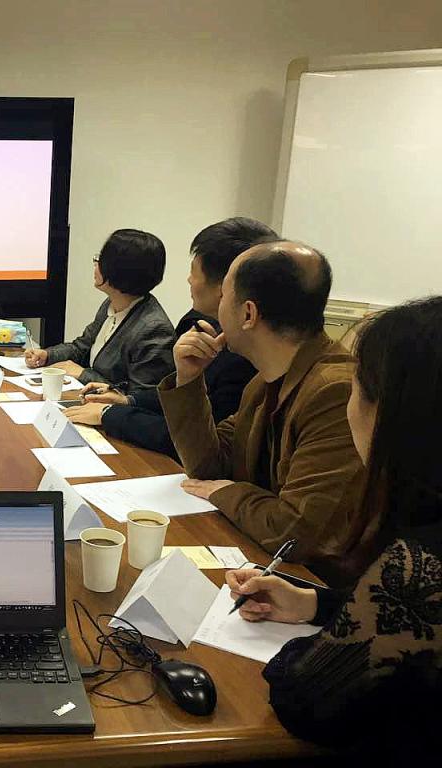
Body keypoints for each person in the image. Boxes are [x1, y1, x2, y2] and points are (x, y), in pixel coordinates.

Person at [224, 296, 442, 754]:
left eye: (358, 383)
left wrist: (313, 644)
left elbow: (307, 699)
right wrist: (314, 604)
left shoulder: (422, 562)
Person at [157, 241, 364, 574]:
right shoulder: (265, 381)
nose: (217, 306)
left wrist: (229, 493)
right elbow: (208, 468)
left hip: (310, 583)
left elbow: (294, 532)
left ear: (248, 314)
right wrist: (189, 379)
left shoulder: (335, 391)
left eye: (224, 295)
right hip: (260, 560)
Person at [64, 217, 269, 457]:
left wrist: (110, 414)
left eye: (194, 272)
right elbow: (174, 401)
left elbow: (195, 437)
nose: (189, 280)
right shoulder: (196, 323)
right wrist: (127, 401)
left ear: (225, 289)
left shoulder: (245, 358)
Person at [24, 229, 174, 398]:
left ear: (118, 271)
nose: (96, 264)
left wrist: (83, 374)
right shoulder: (112, 303)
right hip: (89, 400)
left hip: (109, 411)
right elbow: (82, 347)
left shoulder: (154, 330)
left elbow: (139, 399)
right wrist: (47, 355)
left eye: (101, 260)